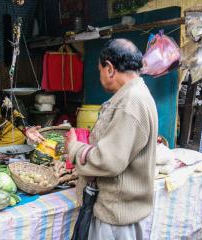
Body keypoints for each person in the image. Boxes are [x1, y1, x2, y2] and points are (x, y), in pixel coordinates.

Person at [67, 39, 158, 239]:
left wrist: (74, 148)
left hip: (116, 217)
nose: (100, 74)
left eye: (100, 69)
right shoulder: (134, 95)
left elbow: (108, 160)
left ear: (109, 68)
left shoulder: (130, 101)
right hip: (119, 213)